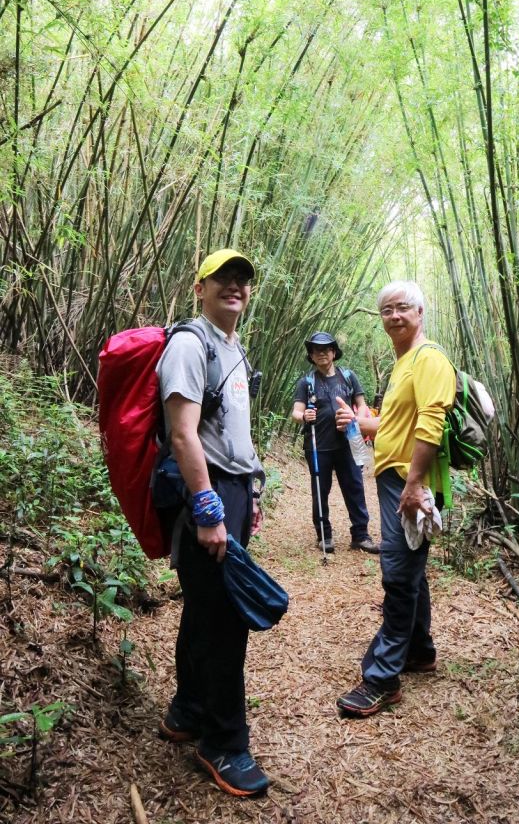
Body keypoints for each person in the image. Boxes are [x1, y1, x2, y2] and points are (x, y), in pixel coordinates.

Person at [155, 248, 269, 797]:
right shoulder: (188, 343)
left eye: (243, 280)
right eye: (223, 278)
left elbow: (231, 431)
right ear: (199, 286)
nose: (235, 287)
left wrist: (253, 487)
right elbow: (182, 435)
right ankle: (223, 742)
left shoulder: (233, 348)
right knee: (226, 619)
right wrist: (208, 508)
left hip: (232, 490)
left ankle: (189, 709)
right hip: (206, 494)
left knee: (206, 606)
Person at [335, 282, 456, 716]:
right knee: (411, 566)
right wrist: (362, 422)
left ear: (421, 311)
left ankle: (383, 677)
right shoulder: (402, 363)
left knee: (398, 574)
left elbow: (431, 423)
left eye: (402, 307)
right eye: (386, 310)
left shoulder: (429, 359)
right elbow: (396, 424)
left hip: (411, 480)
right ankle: (420, 651)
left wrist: (414, 484)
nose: (394, 316)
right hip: (397, 477)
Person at [291, 332, 380, 555]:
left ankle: (361, 536)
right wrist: (304, 417)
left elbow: (362, 405)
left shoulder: (348, 376)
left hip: (347, 443)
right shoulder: (307, 382)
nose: (321, 353)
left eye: (326, 349)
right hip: (318, 444)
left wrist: (358, 418)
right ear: (311, 355)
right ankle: (324, 535)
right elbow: (296, 411)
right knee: (320, 491)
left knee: (355, 488)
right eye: (316, 350)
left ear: (333, 352)